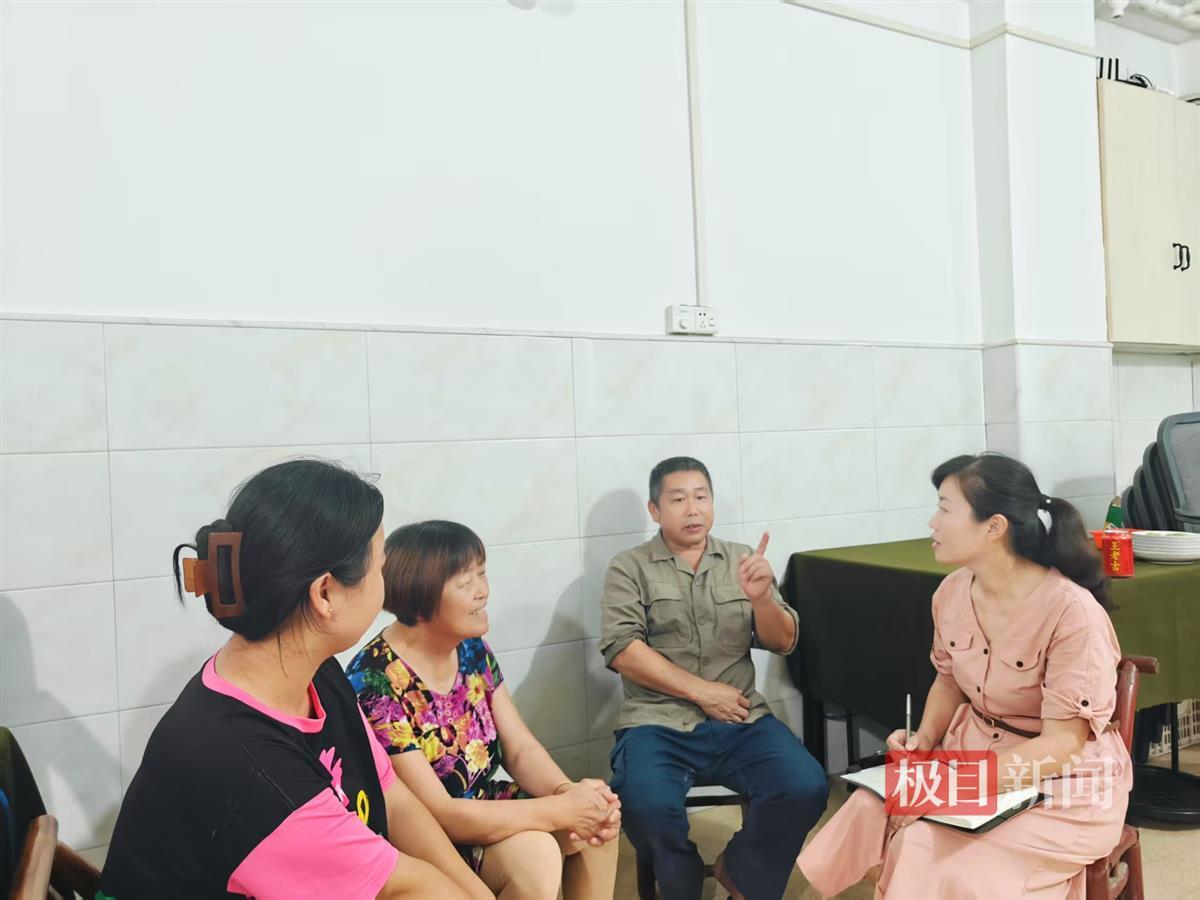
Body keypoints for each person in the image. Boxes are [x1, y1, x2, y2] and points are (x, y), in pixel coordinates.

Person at [100, 459, 491, 900]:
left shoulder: (316, 672)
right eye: (379, 569)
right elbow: (407, 888)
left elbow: (393, 797)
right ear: (325, 593)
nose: (384, 585)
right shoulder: (243, 763)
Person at [798, 453, 1131, 898]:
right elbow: (950, 679)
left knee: (925, 846)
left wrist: (950, 789)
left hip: (1061, 784)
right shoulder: (952, 591)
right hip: (970, 755)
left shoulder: (1072, 613)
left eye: (945, 508)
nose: (932, 523)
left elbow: (1062, 745)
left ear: (994, 527)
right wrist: (924, 740)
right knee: (868, 806)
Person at [348, 520, 620, 900]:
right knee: (537, 853)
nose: (483, 591)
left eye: (482, 573)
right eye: (466, 582)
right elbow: (439, 811)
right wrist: (561, 809)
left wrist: (568, 794)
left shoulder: (470, 647)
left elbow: (520, 749)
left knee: (598, 818)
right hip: (433, 837)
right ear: (420, 596)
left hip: (486, 804)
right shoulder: (375, 680)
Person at [599, 456, 828, 900]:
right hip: (657, 721)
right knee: (645, 805)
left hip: (741, 718)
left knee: (805, 785)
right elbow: (623, 650)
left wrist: (762, 600)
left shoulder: (742, 559)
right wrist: (703, 693)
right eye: (678, 499)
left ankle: (740, 872)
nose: (692, 509)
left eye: (701, 497)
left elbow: (783, 641)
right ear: (654, 510)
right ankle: (682, 883)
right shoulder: (629, 567)